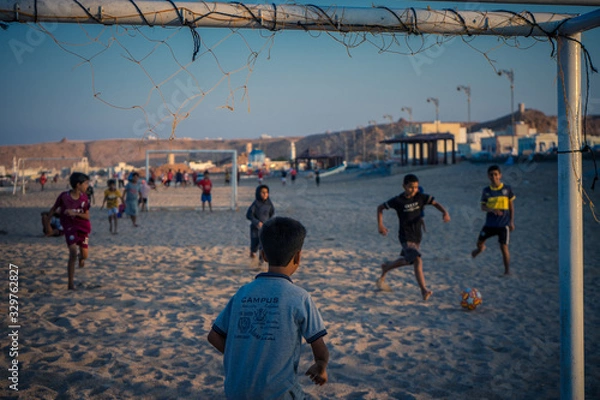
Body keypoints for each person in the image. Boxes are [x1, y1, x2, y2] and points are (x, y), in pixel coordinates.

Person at [207, 217, 329, 399]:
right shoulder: (300, 297)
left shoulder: (243, 292)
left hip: (235, 392)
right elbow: (320, 350)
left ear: (263, 255)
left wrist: (244, 357)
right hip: (278, 394)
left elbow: (214, 336)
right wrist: (321, 367)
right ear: (298, 256)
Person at [376, 173, 451, 301]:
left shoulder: (420, 197)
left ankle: (387, 267)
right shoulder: (398, 200)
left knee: (407, 261)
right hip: (405, 236)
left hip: (417, 236)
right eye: (411, 187)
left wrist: (445, 212)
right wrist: (380, 226)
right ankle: (423, 290)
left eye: (416, 187)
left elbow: (435, 203)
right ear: (404, 186)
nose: (414, 190)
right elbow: (380, 208)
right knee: (417, 260)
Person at [48, 172, 92, 290]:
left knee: (84, 255)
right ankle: (70, 284)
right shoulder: (64, 196)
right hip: (69, 227)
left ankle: (81, 257)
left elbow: (87, 216)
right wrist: (48, 223)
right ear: (78, 185)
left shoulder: (84, 198)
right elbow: (53, 209)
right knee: (72, 253)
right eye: (86, 183)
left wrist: (75, 213)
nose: (87, 186)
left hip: (83, 227)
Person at [471, 165, 516, 275]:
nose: (494, 177)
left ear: (500, 175)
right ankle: (480, 249)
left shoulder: (507, 189)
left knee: (503, 247)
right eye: (491, 175)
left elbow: (511, 206)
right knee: (479, 242)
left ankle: (507, 271)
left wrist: (511, 221)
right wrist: (492, 210)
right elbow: (483, 207)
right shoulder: (486, 191)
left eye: (496, 174)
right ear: (488, 176)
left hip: (503, 224)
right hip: (490, 224)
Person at [246, 184, 275, 262]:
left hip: (265, 228)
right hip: (255, 229)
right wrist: (256, 222)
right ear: (258, 193)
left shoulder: (269, 204)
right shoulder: (255, 204)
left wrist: (269, 222)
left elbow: (271, 213)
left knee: (263, 246)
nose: (265, 194)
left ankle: (260, 263)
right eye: (262, 192)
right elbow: (249, 215)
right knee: (254, 245)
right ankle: (252, 253)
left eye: (266, 192)